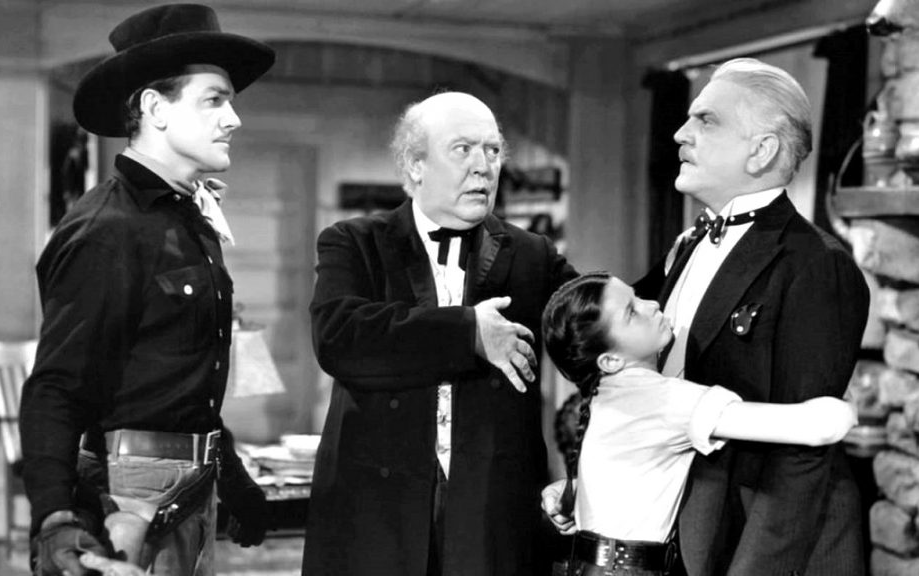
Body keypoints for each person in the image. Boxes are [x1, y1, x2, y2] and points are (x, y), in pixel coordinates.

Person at [544, 58, 870, 576]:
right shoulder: (689, 244)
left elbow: (799, 462)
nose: (680, 134)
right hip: (686, 545)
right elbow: (638, 388)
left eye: (706, 120)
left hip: (759, 551)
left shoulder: (815, 265)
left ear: (761, 151)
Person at [19, 4, 276, 575]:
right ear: (156, 109)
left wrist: (231, 476)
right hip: (129, 500)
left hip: (192, 489)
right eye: (214, 99)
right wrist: (55, 519)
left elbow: (176, 385)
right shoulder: (108, 229)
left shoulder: (188, 222)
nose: (233, 118)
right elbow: (57, 386)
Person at [303, 91, 578, 576]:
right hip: (377, 516)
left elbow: (594, 324)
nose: (483, 167)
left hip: (492, 520)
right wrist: (469, 332)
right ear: (416, 165)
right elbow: (340, 337)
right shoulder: (354, 242)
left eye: (492, 150)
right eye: (462, 149)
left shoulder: (532, 255)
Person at [540, 272, 857, 575]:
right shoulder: (660, 399)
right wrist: (854, 405)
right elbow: (821, 428)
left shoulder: (607, 394)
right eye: (632, 312)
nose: (651, 305)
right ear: (610, 361)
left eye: (637, 297)